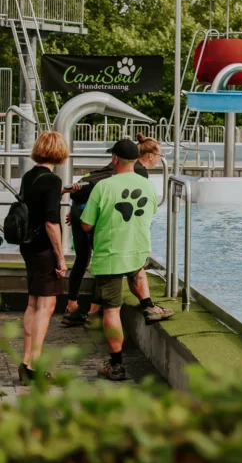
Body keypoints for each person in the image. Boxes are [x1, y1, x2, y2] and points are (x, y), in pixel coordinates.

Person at [80, 139, 168, 381]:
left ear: (115, 159)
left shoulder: (103, 187)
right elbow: (150, 215)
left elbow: (86, 224)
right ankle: (149, 306)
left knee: (112, 310)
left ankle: (116, 365)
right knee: (136, 271)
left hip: (111, 254)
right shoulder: (149, 186)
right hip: (137, 250)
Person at [61, 133, 166, 326]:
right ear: (149, 155)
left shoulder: (115, 167)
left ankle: (72, 308)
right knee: (112, 265)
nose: (160, 159)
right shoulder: (138, 174)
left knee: (83, 260)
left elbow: (92, 189)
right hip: (92, 215)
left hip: (82, 209)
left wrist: (77, 212)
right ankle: (94, 313)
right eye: (160, 155)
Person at [17, 132, 70, 384]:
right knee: (46, 306)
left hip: (28, 245)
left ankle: (26, 360)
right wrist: (60, 257)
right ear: (59, 152)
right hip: (44, 249)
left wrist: (63, 191)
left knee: (33, 303)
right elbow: (51, 222)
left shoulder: (30, 177)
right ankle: (33, 365)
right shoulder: (51, 180)